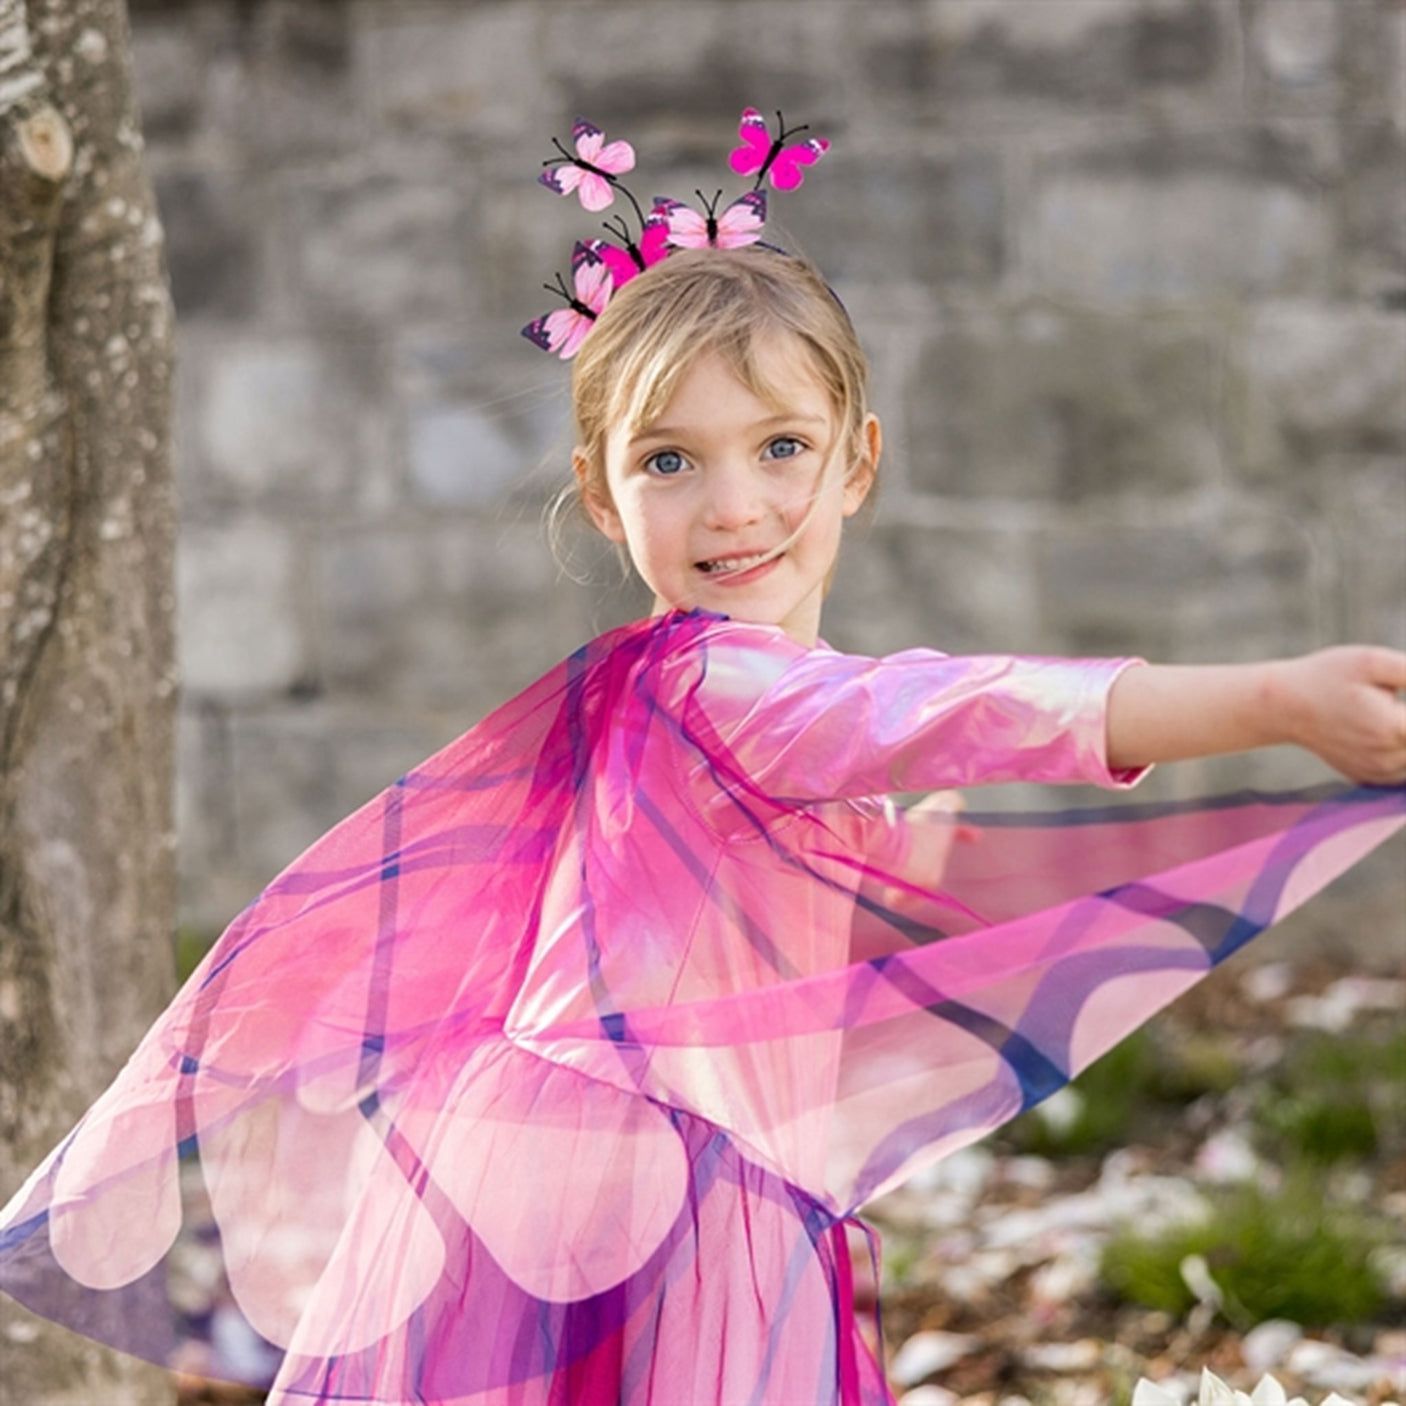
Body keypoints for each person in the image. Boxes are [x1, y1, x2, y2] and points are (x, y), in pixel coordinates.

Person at [1, 115, 1403, 1406]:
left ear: (856, 460)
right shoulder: (716, 687)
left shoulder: (656, 693)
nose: (733, 506)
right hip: (644, 1178)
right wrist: (1274, 695)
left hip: (581, 1154)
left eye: (777, 446)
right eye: (669, 462)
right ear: (603, 498)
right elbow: (972, 704)